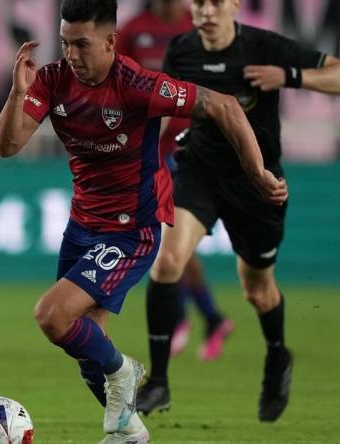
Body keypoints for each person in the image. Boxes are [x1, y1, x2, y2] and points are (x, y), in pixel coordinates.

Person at [0, 0, 286, 441]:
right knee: (86, 354)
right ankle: (130, 432)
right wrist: (18, 92)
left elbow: (225, 105)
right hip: (82, 227)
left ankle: (125, 371)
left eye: (82, 45)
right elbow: (8, 145)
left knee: (52, 318)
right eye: (65, 43)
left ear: (111, 41)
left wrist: (258, 172)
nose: (72, 54)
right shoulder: (53, 81)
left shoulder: (136, 84)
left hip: (133, 229)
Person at [136, 0, 340, 422]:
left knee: (257, 290)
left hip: (257, 183)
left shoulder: (265, 46)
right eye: (198, 2)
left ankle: (277, 359)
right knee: (168, 261)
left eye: (215, 2)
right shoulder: (182, 50)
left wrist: (291, 76)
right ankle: (159, 382)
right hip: (199, 172)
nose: (205, 11)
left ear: (234, 4)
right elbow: (163, 112)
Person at [118, 0, 234, 361]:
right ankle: (206, 317)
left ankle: (190, 317)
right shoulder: (135, 29)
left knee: (168, 240)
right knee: (169, 243)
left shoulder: (196, 26)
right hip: (150, 147)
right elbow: (117, 82)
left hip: (191, 150)